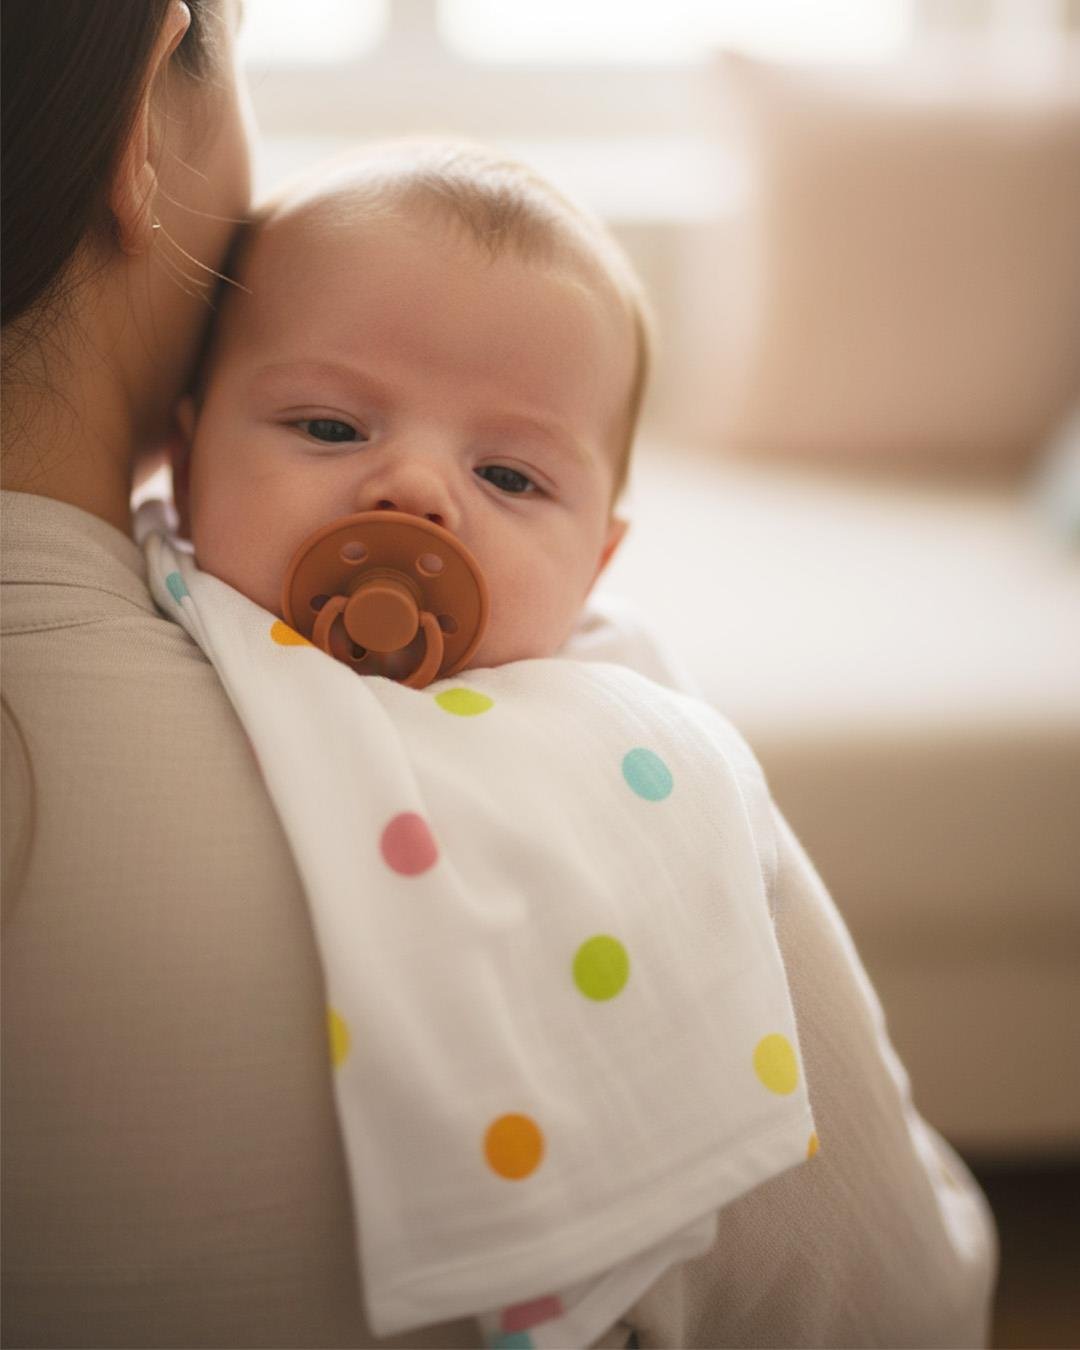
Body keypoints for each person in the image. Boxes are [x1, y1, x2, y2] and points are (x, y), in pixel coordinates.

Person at [1, 5, 996, 1349]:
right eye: (331, 425)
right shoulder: (654, 815)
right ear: (138, 133)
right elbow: (912, 1303)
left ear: (600, 563)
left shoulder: (606, 729)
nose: (410, 489)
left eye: (511, 475)